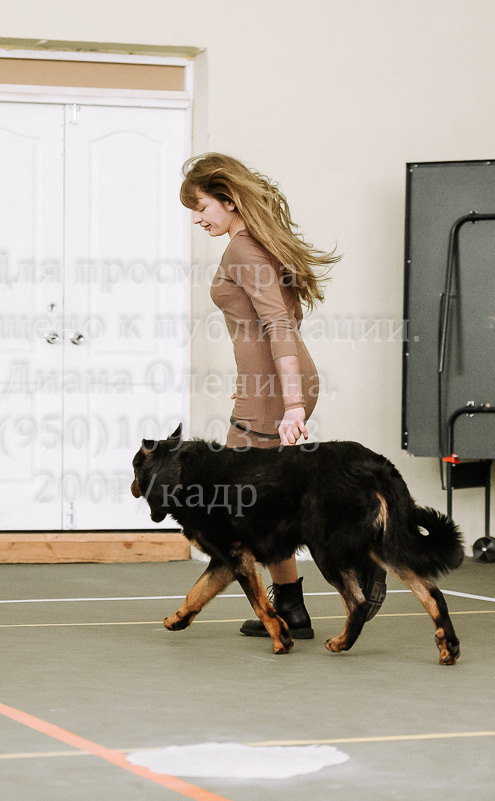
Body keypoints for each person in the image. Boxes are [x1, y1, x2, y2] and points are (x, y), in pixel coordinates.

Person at [179, 152, 381, 639]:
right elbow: (269, 324)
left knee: (237, 502)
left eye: (201, 204)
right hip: (265, 387)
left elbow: (278, 324)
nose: (196, 217)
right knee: (261, 503)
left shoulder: (243, 251)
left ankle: (359, 554)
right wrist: (255, 379)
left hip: (275, 391)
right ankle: (291, 607)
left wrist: (289, 403)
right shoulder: (254, 244)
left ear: (228, 198)